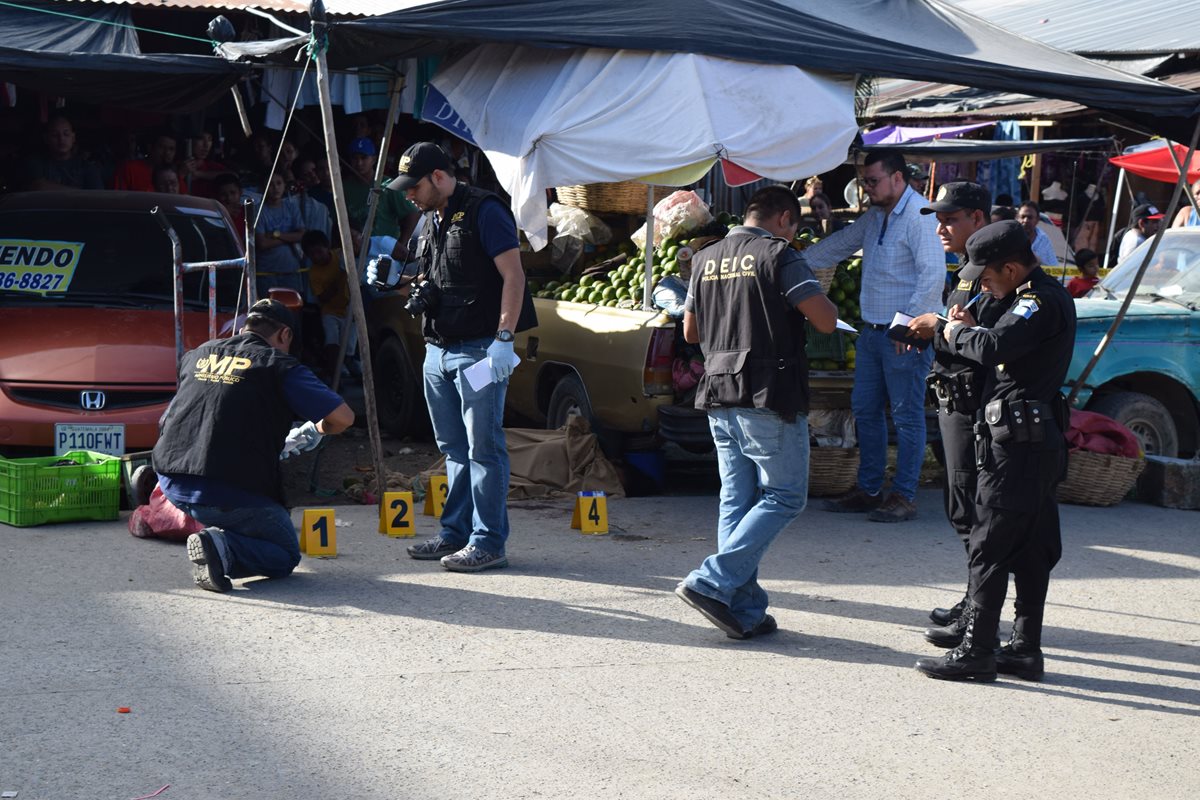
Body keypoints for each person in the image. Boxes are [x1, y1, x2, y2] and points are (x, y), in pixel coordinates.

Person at [914, 220, 1075, 682]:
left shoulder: (1038, 300)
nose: (981, 283)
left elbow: (996, 345)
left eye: (987, 276)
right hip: (1030, 439)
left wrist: (947, 330)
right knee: (1031, 548)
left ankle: (977, 652)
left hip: (1019, 446)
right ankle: (1024, 649)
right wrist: (969, 325)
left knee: (990, 544)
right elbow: (996, 338)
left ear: (1011, 267)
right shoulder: (1020, 297)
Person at [674, 185, 838, 638]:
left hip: (718, 392)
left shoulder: (705, 258)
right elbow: (824, 320)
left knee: (736, 500)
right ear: (784, 218)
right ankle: (711, 581)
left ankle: (742, 607)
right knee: (785, 496)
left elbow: (691, 331)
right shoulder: (778, 255)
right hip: (766, 393)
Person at [378, 141, 536, 572]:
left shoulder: (486, 211)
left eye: (414, 186)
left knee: (483, 447)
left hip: (481, 353)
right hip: (438, 353)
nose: (408, 194)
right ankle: (454, 533)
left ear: (440, 178)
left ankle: (488, 542)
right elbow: (434, 276)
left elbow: (513, 276)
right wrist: (397, 277)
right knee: (453, 448)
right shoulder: (431, 218)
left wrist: (504, 338)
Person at [152, 299, 355, 593]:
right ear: (285, 334)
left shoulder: (199, 354)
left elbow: (172, 418)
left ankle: (218, 533)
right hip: (224, 491)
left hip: (172, 481)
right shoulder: (278, 364)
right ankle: (222, 547)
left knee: (257, 513)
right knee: (284, 555)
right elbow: (343, 418)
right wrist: (315, 430)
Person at [801, 149, 945, 523]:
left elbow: (933, 275)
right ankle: (868, 490)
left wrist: (910, 326)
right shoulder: (877, 215)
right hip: (871, 332)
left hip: (903, 334)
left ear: (898, 178)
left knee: (907, 416)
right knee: (865, 411)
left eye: (872, 181)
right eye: (865, 181)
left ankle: (903, 495)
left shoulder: (919, 215)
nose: (866, 189)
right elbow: (842, 243)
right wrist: (791, 262)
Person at [906, 182, 1014, 642]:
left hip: (981, 407)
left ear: (978, 218)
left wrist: (944, 329)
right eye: (938, 219)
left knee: (978, 512)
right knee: (960, 507)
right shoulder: (967, 269)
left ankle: (979, 611)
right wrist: (928, 334)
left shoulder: (1002, 272)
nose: (940, 228)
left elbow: (992, 341)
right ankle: (973, 599)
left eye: (950, 219)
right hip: (955, 399)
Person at [343, 136, 421, 261]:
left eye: (364, 158)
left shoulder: (388, 185)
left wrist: (401, 244)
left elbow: (412, 213)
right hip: (357, 254)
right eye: (354, 158)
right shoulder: (344, 188)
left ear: (373, 159)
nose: (359, 163)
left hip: (386, 253)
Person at [300, 229, 355, 383]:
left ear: (327, 247)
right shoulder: (314, 273)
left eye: (319, 251)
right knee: (332, 342)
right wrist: (336, 283)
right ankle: (334, 373)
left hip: (349, 309)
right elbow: (322, 297)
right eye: (312, 255)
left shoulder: (340, 256)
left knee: (349, 346)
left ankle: (349, 367)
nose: (317, 257)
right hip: (330, 311)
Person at [254, 173, 306, 297]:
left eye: (278, 183)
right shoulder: (257, 210)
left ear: (284, 186)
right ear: (263, 188)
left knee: (293, 310)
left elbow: (302, 235)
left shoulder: (291, 207)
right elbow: (262, 243)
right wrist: (290, 238)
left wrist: (276, 235)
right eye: (270, 184)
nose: (275, 188)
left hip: (291, 270)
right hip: (267, 272)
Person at [22, 114, 103, 191]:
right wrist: (81, 194)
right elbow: (39, 187)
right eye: (54, 135)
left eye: (66, 134)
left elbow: (97, 197)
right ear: (46, 139)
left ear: (73, 138)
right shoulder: (36, 162)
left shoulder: (87, 167)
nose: (61, 139)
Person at [113, 130, 186, 193]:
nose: (167, 153)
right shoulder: (129, 168)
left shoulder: (174, 173)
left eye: (171, 149)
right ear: (150, 148)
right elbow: (118, 198)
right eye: (162, 147)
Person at [1016, 202, 1059, 267]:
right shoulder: (1011, 237)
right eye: (1023, 217)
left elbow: (1053, 266)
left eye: (1030, 217)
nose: (1026, 220)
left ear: (1037, 220)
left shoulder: (1043, 239)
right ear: (1017, 218)